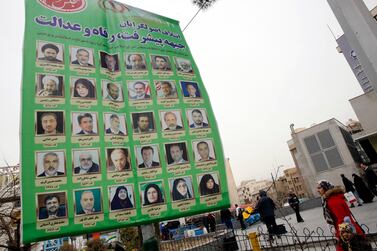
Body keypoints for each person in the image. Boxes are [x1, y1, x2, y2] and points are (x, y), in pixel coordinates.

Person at [317, 180, 364, 250]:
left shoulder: (333, 201)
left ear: (325, 187)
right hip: (346, 231)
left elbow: (343, 219)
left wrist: (340, 236)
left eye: (319, 188)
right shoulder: (330, 199)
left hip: (346, 234)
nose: (317, 190)